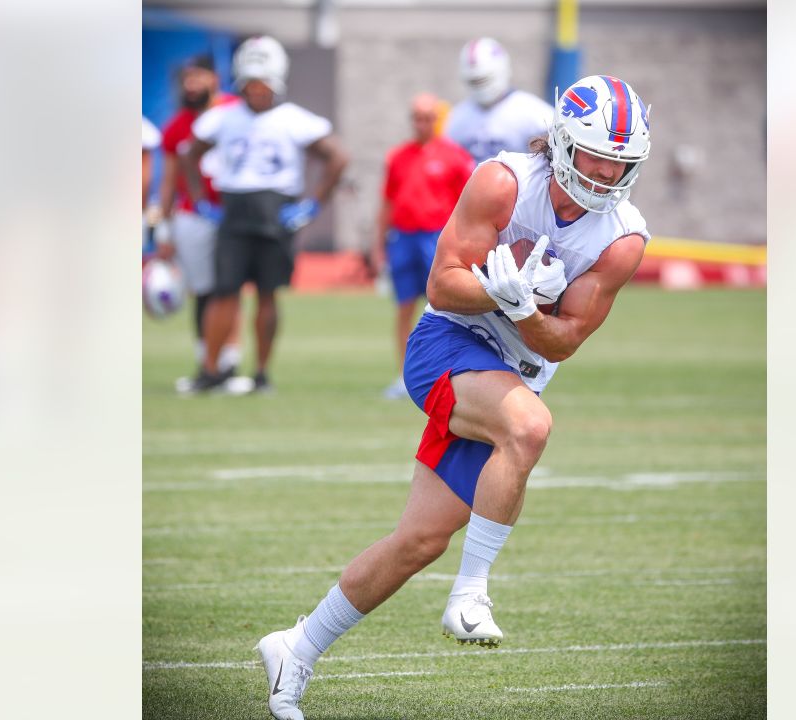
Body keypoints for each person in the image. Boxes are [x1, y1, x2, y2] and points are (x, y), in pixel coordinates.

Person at [254, 74, 653, 720]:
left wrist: (523, 308)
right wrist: (502, 293)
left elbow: (562, 342)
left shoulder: (623, 237)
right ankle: (471, 594)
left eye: (622, 161)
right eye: (596, 154)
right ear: (561, 141)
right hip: (446, 346)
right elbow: (442, 286)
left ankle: (295, 648)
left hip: (510, 369)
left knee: (418, 542)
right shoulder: (504, 181)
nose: (608, 172)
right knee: (528, 428)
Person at [181, 36, 348, 394]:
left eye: (263, 85)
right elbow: (188, 154)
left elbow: (337, 157)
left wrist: (313, 203)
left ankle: (260, 372)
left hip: (276, 212)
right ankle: (211, 370)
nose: (257, 91)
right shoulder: (223, 118)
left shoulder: (294, 120)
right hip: (236, 209)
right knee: (224, 292)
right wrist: (198, 199)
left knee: (267, 294)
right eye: (251, 84)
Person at [152, 54, 245, 392]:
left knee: (230, 288)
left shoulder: (236, 110)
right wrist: (162, 227)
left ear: (214, 78)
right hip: (195, 215)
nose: (192, 85)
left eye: (198, 77)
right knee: (206, 292)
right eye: (187, 79)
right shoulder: (178, 125)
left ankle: (229, 363)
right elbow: (169, 181)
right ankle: (207, 361)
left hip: (234, 212)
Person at [375, 93, 475, 399]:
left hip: (437, 238)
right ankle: (406, 375)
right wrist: (377, 245)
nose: (421, 124)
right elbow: (387, 203)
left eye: (427, 117)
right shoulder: (398, 157)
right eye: (416, 117)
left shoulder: (455, 157)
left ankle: (446, 373)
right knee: (404, 306)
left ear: (437, 119)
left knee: (445, 307)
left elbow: (469, 205)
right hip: (403, 237)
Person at [443, 37, 553, 164]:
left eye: (483, 80)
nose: (480, 86)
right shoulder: (456, 118)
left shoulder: (536, 114)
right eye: (474, 81)